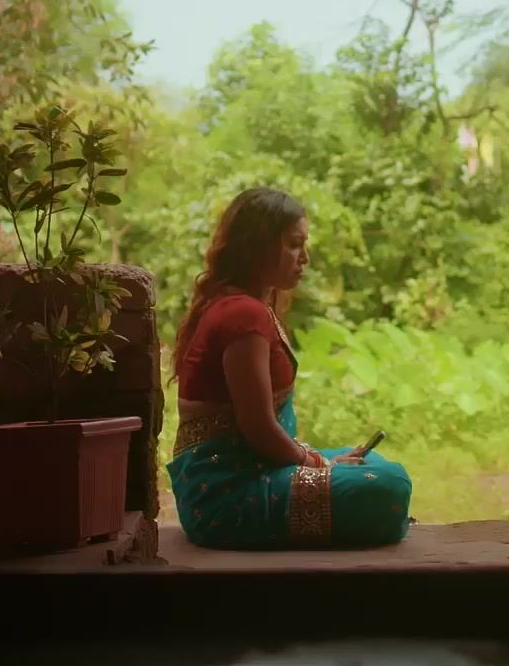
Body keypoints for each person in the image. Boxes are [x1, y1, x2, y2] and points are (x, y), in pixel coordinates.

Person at [166, 187, 413, 549]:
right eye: (295, 245)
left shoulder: (246, 306)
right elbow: (260, 430)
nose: (305, 258)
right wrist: (317, 463)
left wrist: (318, 461)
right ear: (259, 246)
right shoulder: (242, 315)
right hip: (226, 495)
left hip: (251, 470)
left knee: (369, 460)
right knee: (390, 484)